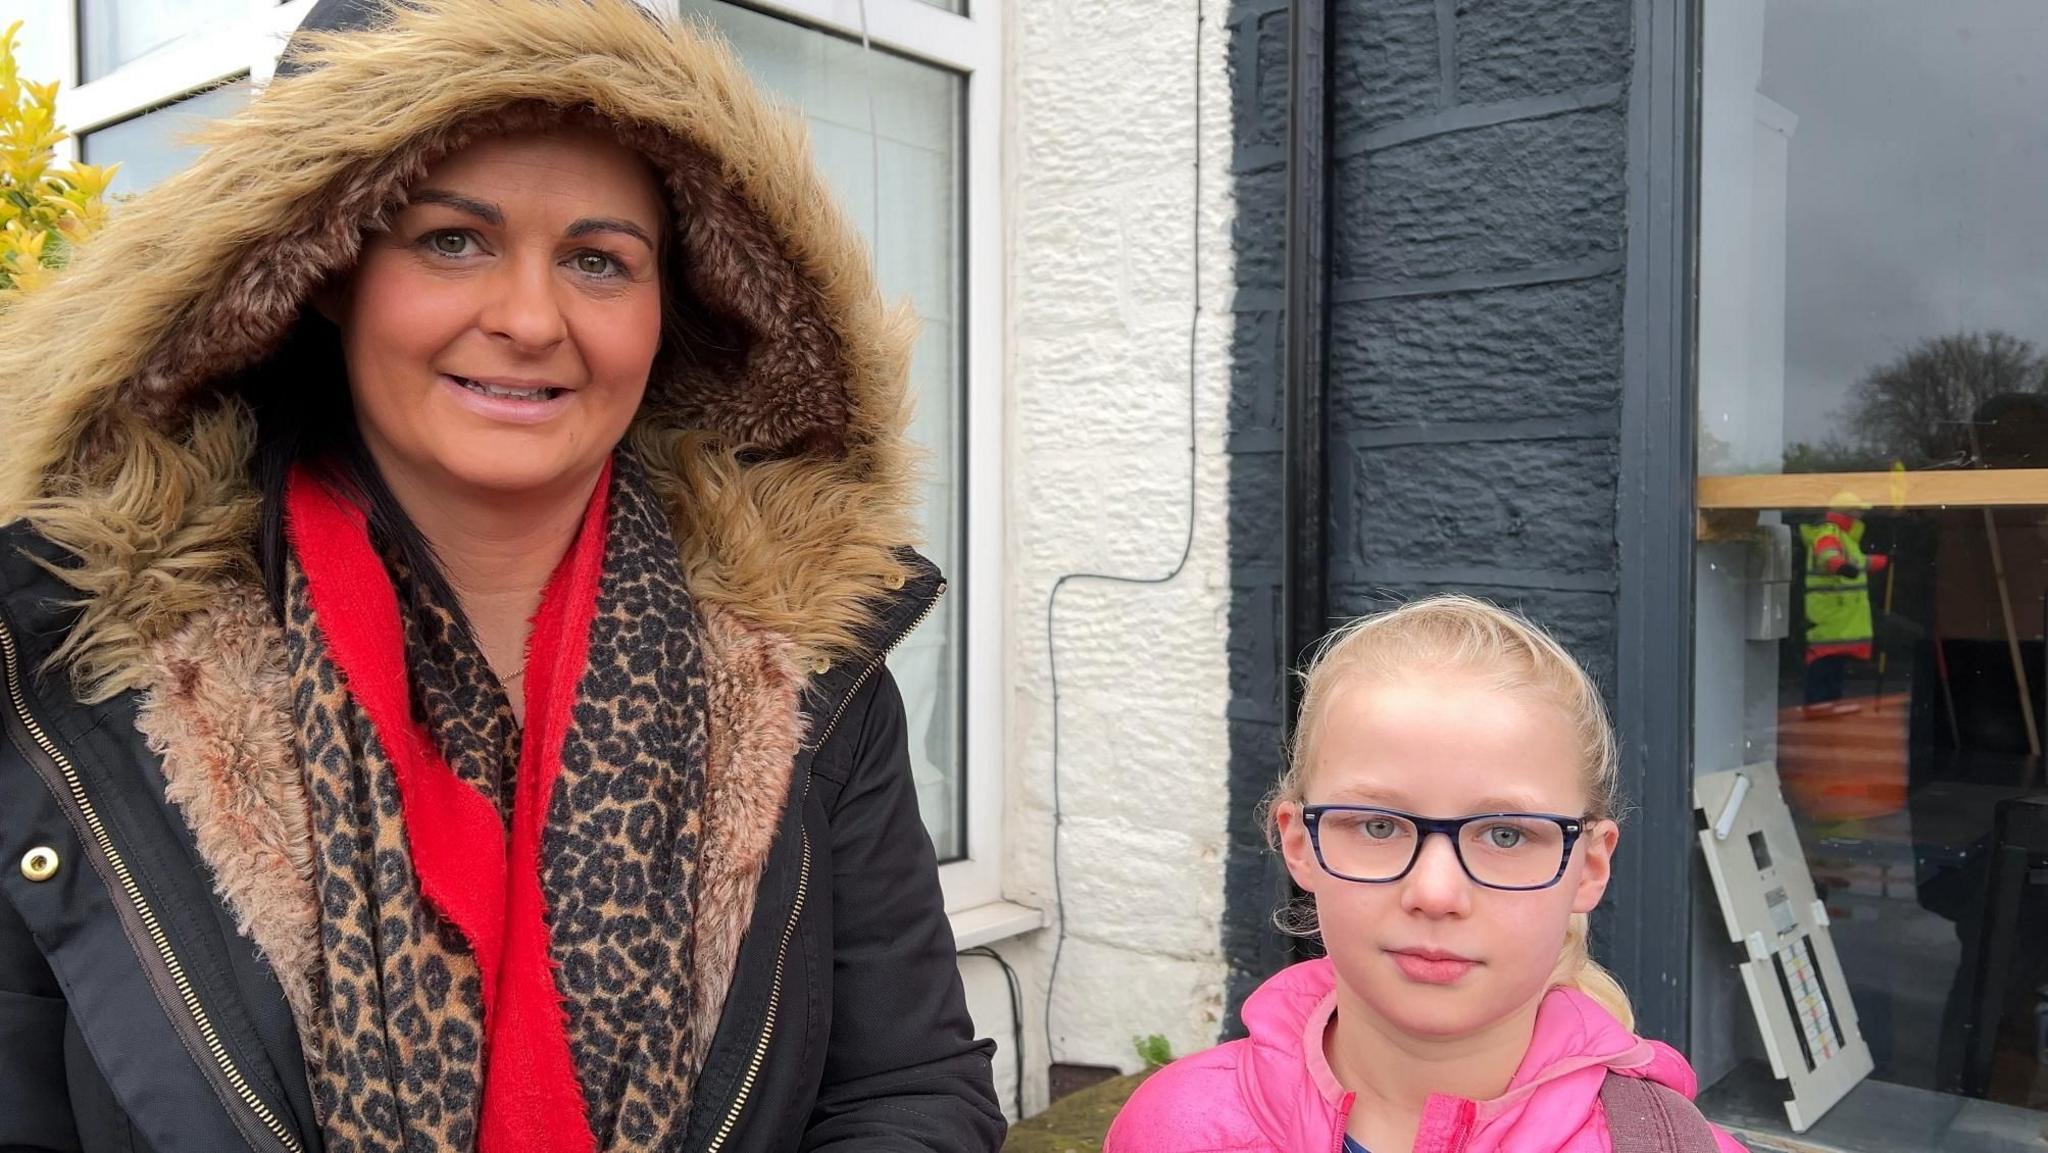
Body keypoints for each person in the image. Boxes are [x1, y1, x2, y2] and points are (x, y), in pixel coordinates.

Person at [0, 0, 1003, 1150]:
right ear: (323, 267)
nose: (530, 317)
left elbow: (908, 1092)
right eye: (451, 239)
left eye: (597, 259)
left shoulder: (807, 672)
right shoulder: (73, 668)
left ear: (674, 305)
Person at [1106, 596, 1747, 1153]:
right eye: (1378, 827)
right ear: (1298, 843)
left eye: (1505, 834)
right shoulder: (1172, 1129)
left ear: (1590, 865)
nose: (1435, 894)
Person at [1799, 492, 1889, 715]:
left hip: (1838, 616)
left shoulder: (1845, 537)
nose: (1861, 515)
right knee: (1824, 660)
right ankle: (1819, 705)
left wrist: (1883, 561)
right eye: (1857, 510)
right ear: (1847, 512)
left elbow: (1857, 562)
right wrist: (1839, 566)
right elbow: (1828, 555)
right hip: (1830, 614)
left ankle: (1828, 704)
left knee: (1833, 661)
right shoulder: (1829, 532)